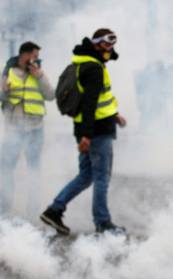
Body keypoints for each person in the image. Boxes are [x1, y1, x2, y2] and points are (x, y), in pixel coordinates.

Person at [40, 29, 127, 235]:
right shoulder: (94, 68)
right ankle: (103, 223)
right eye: (106, 45)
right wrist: (87, 135)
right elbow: (89, 104)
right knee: (101, 178)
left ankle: (54, 210)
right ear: (96, 45)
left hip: (87, 128)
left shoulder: (82, 62)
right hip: (96, 131)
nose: (110, 50)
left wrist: (114, 115)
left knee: (86, 175)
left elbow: (98, 100)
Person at [0, 42, 55, 215]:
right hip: (13, 128)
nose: (37, 60)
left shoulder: (38, 73)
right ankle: (5, 204)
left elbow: (51, 95)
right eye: (35, 56)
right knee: (6, 167)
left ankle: (33, 207)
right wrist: (3, 91)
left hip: (35, 128)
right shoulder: (7, 71)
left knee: (34, 169)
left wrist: (39, 76)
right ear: (25, 55)